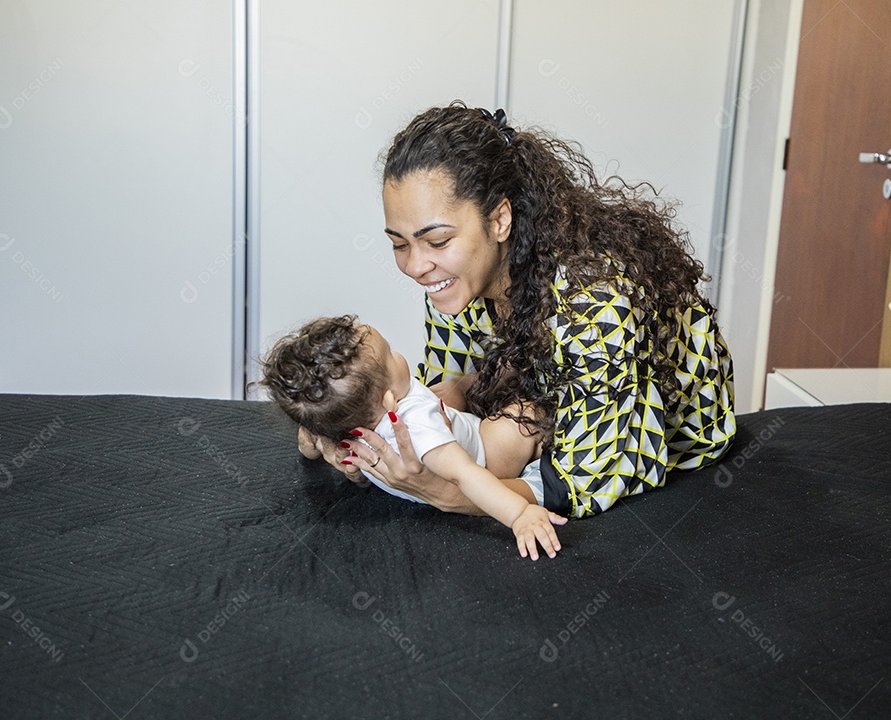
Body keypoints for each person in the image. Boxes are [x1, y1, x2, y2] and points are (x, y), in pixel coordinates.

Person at [299, 102, 737, 520]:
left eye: (437, 242)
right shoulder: (454, 281)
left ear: (499, 220)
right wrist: (362, 436)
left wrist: (441, 494)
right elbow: (448, 409)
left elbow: (585, 479)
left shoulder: (595, 301)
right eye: (399, 244)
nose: (415, 266)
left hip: (651, 439)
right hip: (548, 406)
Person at [261, 315, 567, 560]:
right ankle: (536, 449)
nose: (399, 355)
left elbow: (312, 440)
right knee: (524, 414)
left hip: (432, 458)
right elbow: (466, 475)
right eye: (392, 354)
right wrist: (519, 514)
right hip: (486, 457)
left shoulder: (336, 427)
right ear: (389, 400)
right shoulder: (417, 421)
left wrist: (309, 443)